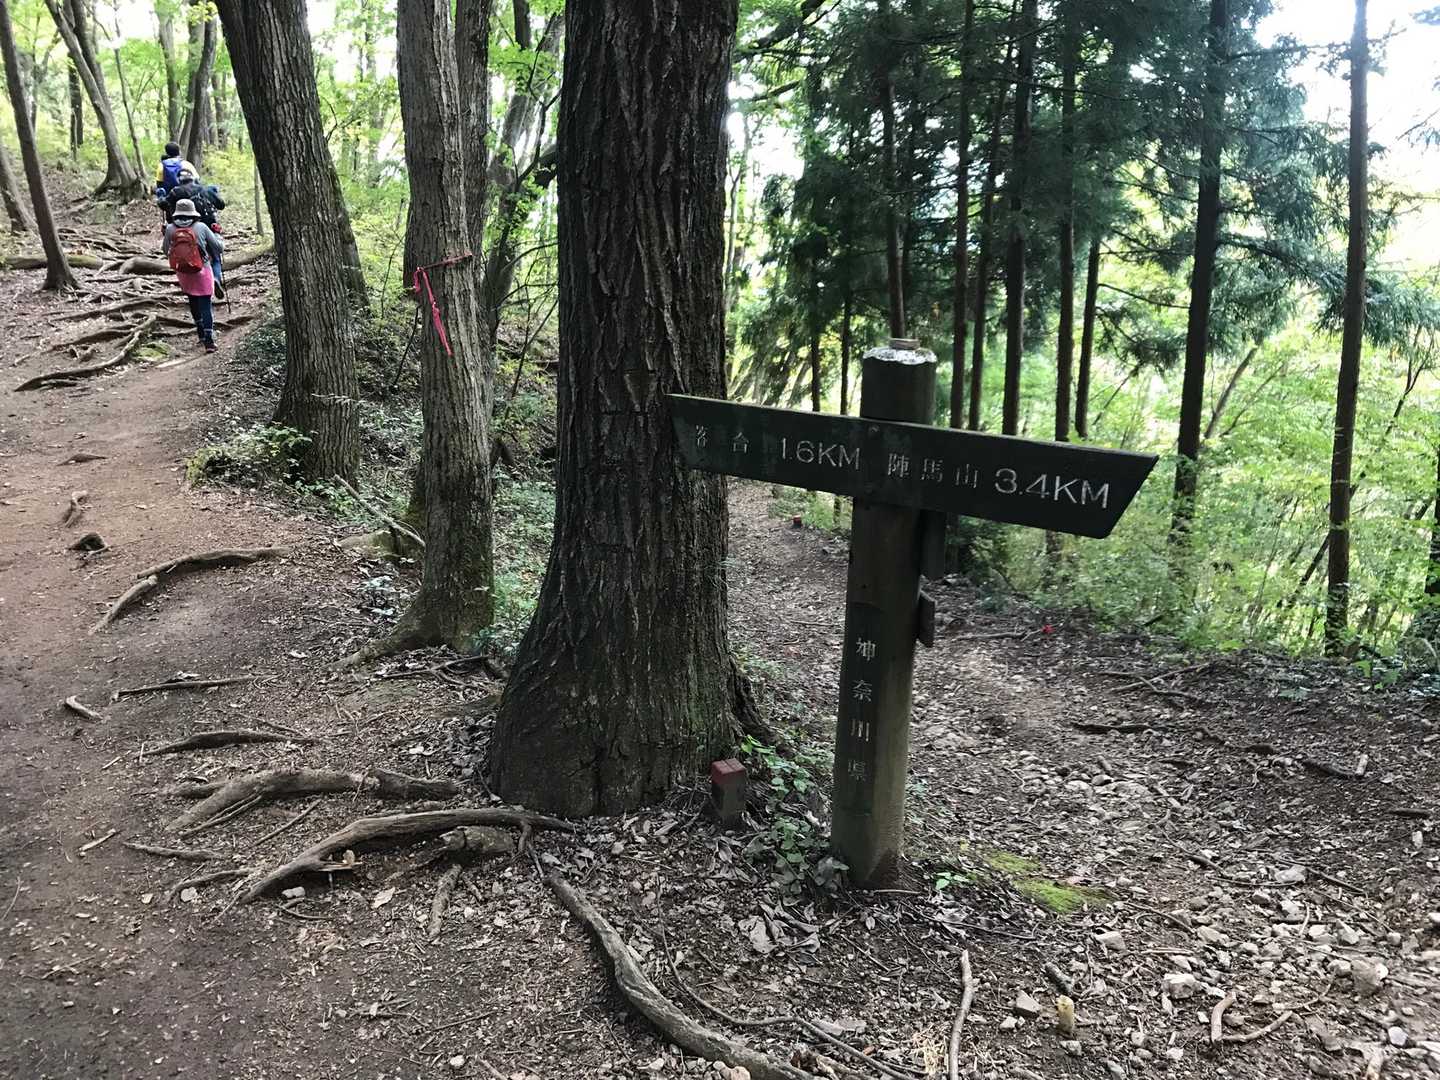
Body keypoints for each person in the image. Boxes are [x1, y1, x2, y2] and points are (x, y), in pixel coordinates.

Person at [162, 198, 224, 353]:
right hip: (202, 269)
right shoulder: (201, 227)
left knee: (192, 300)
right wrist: (218, 236)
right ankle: (209, 341)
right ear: (193, 212)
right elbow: (218, 248)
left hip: (183, 272)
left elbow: (165, 250)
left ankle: (200, 333)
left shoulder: (170, 228)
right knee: (205, 304)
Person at [162, 165, 228, 298]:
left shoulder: (175, 192)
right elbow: (221, 204)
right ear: (193, 178)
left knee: (189, 255)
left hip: (184, 229)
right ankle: (216, 278)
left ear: (179, 180)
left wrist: (161, 196)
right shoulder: (205, 189)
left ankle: (194, 290)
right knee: (215, 257)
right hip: (208, 227)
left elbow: (163, 204)